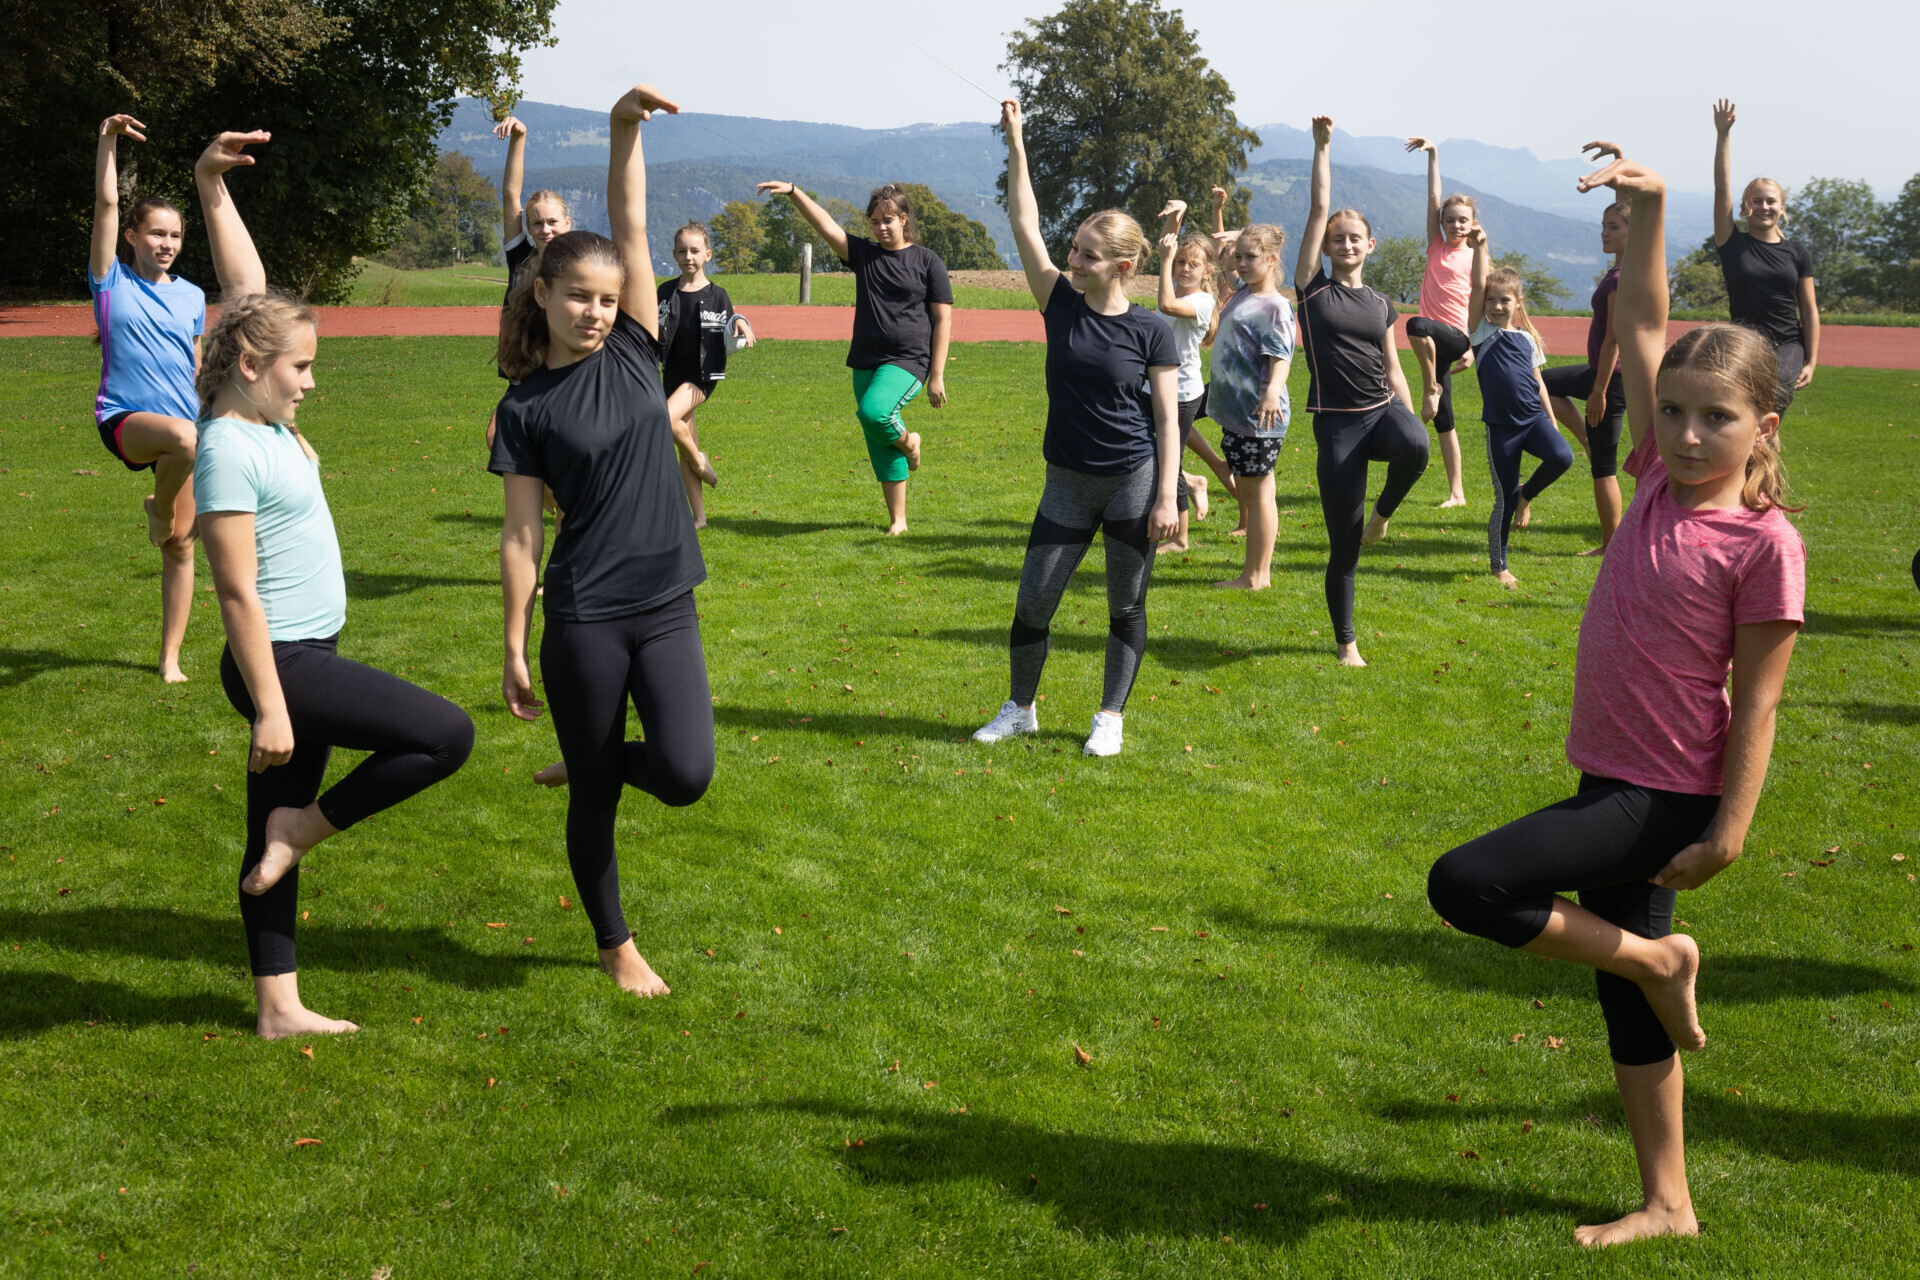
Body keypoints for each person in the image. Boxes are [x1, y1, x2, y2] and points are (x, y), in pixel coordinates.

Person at [1428, 147, 1805, 1249]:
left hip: (1667, 792)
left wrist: (1729, 831)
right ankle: (1670, 1201)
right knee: (1621, 1005)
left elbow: (1763, 701)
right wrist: (1648, 214)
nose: (1687, 434)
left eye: (1715, 421)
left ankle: (1659, 958)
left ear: (1761, 432)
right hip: (1613, 771)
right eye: (1675, 413)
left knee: (1468, 882)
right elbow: (1643, 324)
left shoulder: (1763, 544)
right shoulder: (1648, 479)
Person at [191, 130, 475, 1039]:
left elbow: (247, 293)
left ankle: (277, 1007)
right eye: (301, 367)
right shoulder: (229, 447)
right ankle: (304, 829)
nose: (312, 382)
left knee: (266, 829)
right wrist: (272, 706)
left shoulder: (262, 418)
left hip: (305, 653)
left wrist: (210, 187)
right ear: (251, 369)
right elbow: (234, 592)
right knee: (443, 736)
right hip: (280, 662)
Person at [492, 84, 714, 999]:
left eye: (606, 298)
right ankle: (613, 942)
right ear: (540, 293)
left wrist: (623, 129)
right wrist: (511, 640)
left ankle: (593, 757)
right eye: (576, 297)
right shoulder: (523, 408)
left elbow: (630, 215)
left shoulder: (633, 345)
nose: (593, 310)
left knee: (685, 772)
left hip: (666, 602)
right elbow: (518, 535)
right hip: (584, 616)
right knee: (598, 800)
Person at [973, 99, 1180, 758]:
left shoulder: (1150, 328)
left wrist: (1168, 496)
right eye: (1074, 249)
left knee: (1125, 605)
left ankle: (1110, 718)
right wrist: (1016, 138)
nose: (1074, 259)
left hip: (1131, 481)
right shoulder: (1059, 304)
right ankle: (1019, 708)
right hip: (1065, 480)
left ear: (1121, 266)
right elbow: (1023, 220)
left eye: (1088, 255)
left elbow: (1168, 419)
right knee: (1034, 600)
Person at [1291, 116, 1431, 668]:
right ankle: (1346, 640)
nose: (1345, 243)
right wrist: (1323, 149)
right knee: (1344, 548)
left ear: (1370, 245)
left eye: (1355, 238)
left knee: (1417, 445)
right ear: (1327, 247)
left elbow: (1391, 363)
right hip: (1338, 426)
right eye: (1336, 238)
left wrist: (1412, 401)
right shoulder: (1312, 289)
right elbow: (1317, 208)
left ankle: (1384, 514)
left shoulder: (1379, 303)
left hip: (1380, 411)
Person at [755, 179, 951, 534]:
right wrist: (797, 191)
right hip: (865, 360)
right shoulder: (864, 254)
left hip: (908, 361)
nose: (881, 227)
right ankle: (899, 521)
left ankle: (911, 441)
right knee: (878, 439)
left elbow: (942, 318)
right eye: (874, 221)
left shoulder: (927, 262)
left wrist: (936, 375)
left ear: (904, 219)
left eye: (888, 220)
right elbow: (826, 225)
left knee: (876, 413)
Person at [88, 113, 206, 683]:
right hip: (126, 420)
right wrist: (107, 140)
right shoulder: (110, 279)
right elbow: (107, 207)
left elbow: (199, 368)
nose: (167, 243)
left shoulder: (193, 296)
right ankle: (156, 508)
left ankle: (169, 660)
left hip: (185, 432)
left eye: (176, 235)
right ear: (134, 237)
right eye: (157, 233)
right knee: (183, 439)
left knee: (182, 548)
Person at [1467, 232, 1574, 588]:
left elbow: (1539, 382)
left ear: (1518, 302)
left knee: (1562, 457)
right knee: (1503, 500)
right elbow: (1477, 285)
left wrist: (1553, 421)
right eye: (1491, 300)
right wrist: (1481, 248)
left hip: (1534, 421)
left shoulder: (1526, 338)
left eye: (1505, 301)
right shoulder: (1481, 332)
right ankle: (1500, 566)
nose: (1497, 306)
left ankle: (1527, 493)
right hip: (1502, 429)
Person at [1712, 99, 1819, 410]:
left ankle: (1759, 449)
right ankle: (1758, 454)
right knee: (1742, 408)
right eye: (1755, 201)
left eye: (1771, 201)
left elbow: (1809, 311)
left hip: (1788, 344)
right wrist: (1723, 135)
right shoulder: (1731, 243)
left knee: (1775, 395)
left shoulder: (1797, 253)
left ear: (1781, 207)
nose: (1763, 206)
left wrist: (1811, 360)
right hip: (1743, 343)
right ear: (1746, 207)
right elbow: (1722, 188)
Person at [1205, 224, 1295, 591]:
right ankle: (1258, 573)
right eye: (1239, 256)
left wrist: (1273, 390)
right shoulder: (1246, 293)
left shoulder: (1274, 306)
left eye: (1251, 257)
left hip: (1257, 416)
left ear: (1272, 260)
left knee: (1256, 499)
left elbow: (1281, 355)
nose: (1241, 263)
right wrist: (1229, 237)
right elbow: (1225, 271)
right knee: (1260, 494)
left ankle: (1255, 576)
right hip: (1242, 416)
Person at [1544, 199, 1630, 555]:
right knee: (1540, 383)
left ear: (1632, 232)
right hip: (1599, 374)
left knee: (1604, 469)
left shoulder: (1622, 280)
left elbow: (1613, 339)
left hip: (1610, 380)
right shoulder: (1621, 271)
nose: (1604, 232)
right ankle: (1586, 440)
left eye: (1614, 226)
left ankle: (1611, 547)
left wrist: (1599, 391)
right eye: (1604, 225)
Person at [657, 220, 754, 527]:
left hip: (701, 377)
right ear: (674, 254)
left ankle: (701, 462)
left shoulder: (717, 294)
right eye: (682, 251)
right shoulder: (665, 291)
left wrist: (742, 322)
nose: (689, 256)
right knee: (683, 439)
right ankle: (699, 517)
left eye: (695, 251)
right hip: (671, 375)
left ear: (708, 255)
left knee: (665, 419)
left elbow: (733, 317)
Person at [1150, 214, 1232, 555]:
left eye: (1192, 264)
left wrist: (1166, 260)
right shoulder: (1178, 289)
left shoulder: (1200, 301)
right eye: (1181, 262)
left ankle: (1180, 538)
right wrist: (1176, 217)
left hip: (1181, 395)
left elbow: (1166, 304)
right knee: (1150, 457)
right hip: (1154, 390)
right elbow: (1165, 247)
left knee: (1167, 462)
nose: (1184, 268)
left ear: (1207, 272)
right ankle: (1195, 482)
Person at [1403, 137, 1477, 507]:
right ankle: (1457, 493)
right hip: (1436, 344)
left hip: (1456, 338)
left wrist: (1476, 350)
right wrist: (1433, 155)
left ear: (1472, 223)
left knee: (1415, 325)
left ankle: (1429, 386)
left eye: (1462, 220)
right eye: (1449, 220)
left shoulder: (1476, 257)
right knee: (1445, 421)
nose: (1455, 225)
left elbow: (1489, 306)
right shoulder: (1436, 245)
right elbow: (1433, 198)